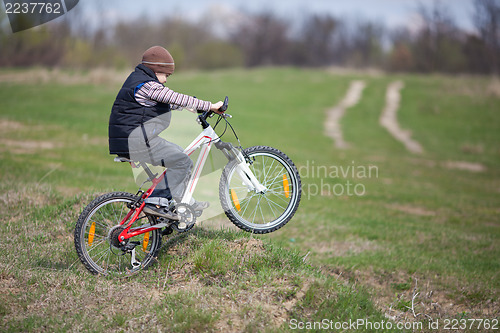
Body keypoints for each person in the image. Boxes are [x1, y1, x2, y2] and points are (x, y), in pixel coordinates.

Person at [108, 46, 224, 220]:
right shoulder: (148, 85)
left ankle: (182, 202)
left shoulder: (139, 81)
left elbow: (163, 103)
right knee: (182, 162)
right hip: (136, 140)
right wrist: (210, 106)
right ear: (157, 70)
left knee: (179, 154)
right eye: (166, 75)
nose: (166, 80)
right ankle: (155, 203)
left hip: (132, 139)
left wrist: (189, 107)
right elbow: (172, 97)